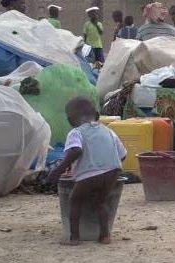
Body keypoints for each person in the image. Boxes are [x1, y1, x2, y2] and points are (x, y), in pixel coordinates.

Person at [47, 96, 126, 245]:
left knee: (75, 201)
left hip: (90, 173)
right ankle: (105, 236)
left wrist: (58, 171)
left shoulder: (76, 133)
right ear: (97, 115)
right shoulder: (109, 131)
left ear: (70, 121)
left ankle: (74, 238)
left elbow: (75, 151)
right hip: (113, 171)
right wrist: (106, 168)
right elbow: (123, 154)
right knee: (101, 201)